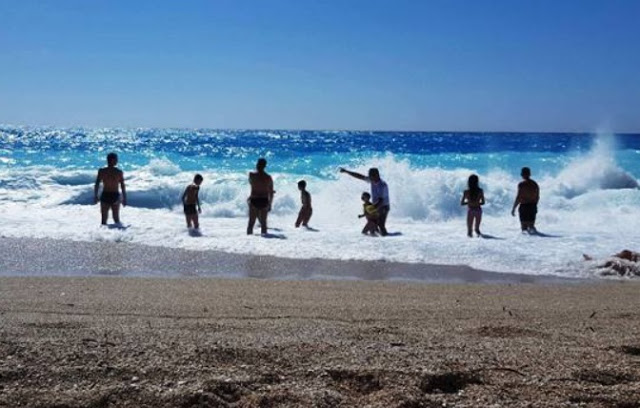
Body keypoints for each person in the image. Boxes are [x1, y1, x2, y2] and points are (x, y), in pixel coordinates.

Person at [339, 167, 390, 236]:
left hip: (383, 206)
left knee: (380, 225)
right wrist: (347, 171)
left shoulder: (382, 185)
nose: (369, 178)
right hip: (375, 205)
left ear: (376, 175)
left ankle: (386, 239)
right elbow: (360, 176)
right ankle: (378, 240)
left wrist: (371, 209)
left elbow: (381, 201)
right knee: (373, 224)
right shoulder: (372, 180)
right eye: (369, 176)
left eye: (370, 176)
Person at [94, 152, 127, 225]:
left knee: (104, 221)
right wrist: (124, 198)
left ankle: (102, 235)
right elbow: (122, 186)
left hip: (105, 195)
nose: (117, 161)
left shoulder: (102, 171)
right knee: (116, 220)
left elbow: (97, 184)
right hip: (114, 195)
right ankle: (118, 235)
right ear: (112, 160)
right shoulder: (118, 172)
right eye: (116, 159)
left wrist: (95, 196)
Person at [247, 158, 274, 235]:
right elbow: (271, 192)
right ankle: (264, 243)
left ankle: (248, 242)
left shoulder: (251, 175)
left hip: (254, 199)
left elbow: (251, 184)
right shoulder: (268, 177)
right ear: (265, 166)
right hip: (264, 200)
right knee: (263, 224)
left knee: (251, 223)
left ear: (257, 164)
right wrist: (270, 204)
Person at [511, 167, 539, 233]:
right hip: (532, 206)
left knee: (524, 229)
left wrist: (514, 208)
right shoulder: (535, 184)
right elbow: (537, 197)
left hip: (524, 207)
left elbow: (518, 197)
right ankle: (535, 242)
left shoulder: (521, 185)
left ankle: (525, 242)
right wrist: (534, 206)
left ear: (522, 174)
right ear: (530, 174)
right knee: (531, 227)